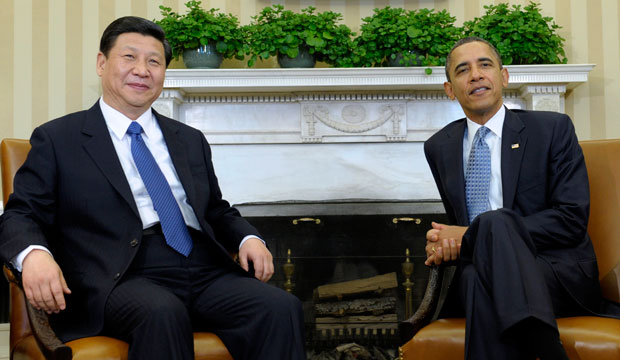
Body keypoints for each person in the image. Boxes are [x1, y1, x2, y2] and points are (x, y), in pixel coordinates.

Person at [0, 16, 305, 360]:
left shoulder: (189, 139)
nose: (142, 70)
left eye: (154, 61)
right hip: (120, 275)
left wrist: (249, 238)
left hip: (203, 266)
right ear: (102, 64)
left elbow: (216, 209)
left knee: (280, 307)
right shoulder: (58, 138)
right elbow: (20, 214)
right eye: (129, 57)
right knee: (162, 312)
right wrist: (35, 255)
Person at [423, 36, 619, 359]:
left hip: (556, 272)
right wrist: (444, 243)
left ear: (504, 76)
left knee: (491, 234)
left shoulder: (552, 129)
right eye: (463, 70)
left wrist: (473, 235)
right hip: (485, 272)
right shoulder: (439, 147)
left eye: (485, 65)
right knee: (473, 276)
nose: (475, 75)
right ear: (450, 89)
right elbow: (459, 231)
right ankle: (545, 346)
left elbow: (571, 220)